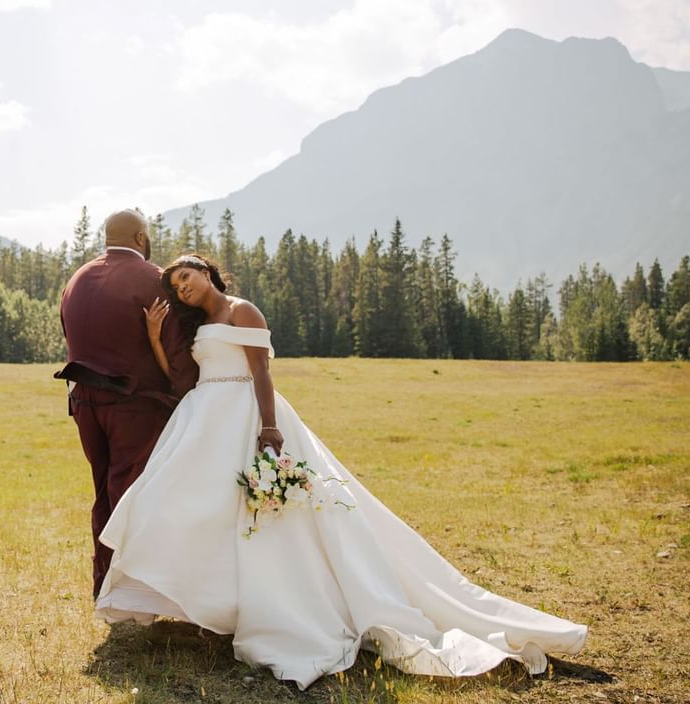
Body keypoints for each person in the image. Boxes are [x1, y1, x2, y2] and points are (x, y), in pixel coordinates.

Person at [95, 253, 588, 689]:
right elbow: (181, 378)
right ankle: (208, 605)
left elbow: (262, 372)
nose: (183, 289)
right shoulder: (194, 326)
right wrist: (158, 337)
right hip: (204, 421)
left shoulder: (242, 310)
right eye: (176, 286)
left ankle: (274, 607)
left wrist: (269, 429)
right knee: (185, 507)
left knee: (265, 519)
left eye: (187, 278)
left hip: (245, 416)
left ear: (207, 271)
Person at [56, 210, 199, 600]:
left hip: (84, 403)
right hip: (134, 405)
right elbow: (175, 345)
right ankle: (131, 589)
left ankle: (104, 580)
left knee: (103, 490)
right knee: (131, 494)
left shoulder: (77, 278)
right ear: (140, 237)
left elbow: (69, 333)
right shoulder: (152, 279)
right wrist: (191, 393)